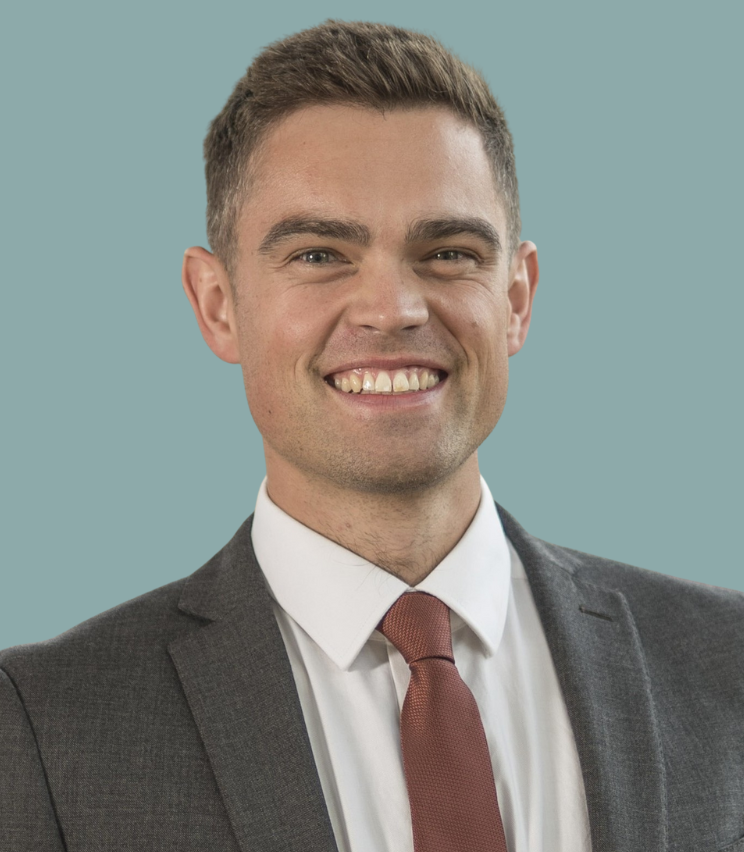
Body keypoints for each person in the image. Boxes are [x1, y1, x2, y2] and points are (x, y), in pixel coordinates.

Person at [1, 19, 742, 852]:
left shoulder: (727, 664)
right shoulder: (43, 725)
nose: (393, 309)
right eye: (319, 255)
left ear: (518, 298)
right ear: (217, 305)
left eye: (450, 251)